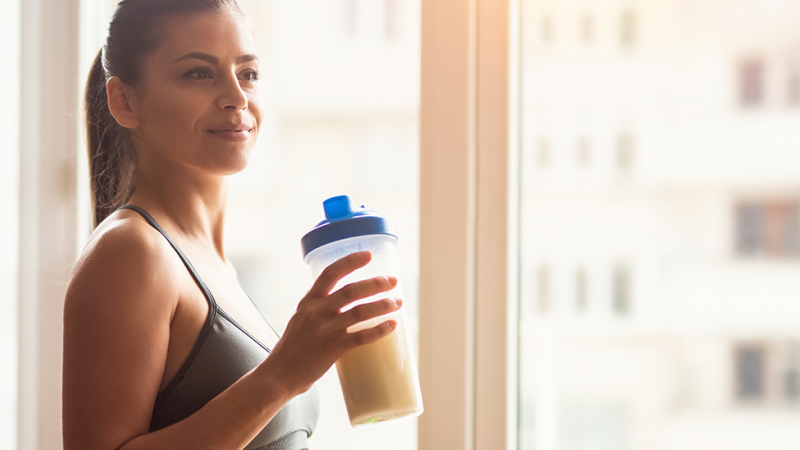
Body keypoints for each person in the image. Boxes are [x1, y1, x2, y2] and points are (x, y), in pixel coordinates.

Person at [62, 1, 402, 449]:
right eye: (199, 74)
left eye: (249, 73)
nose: (237, 98)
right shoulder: (133, 252)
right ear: (125, 101)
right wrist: (281, 375)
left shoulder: (218, 266)